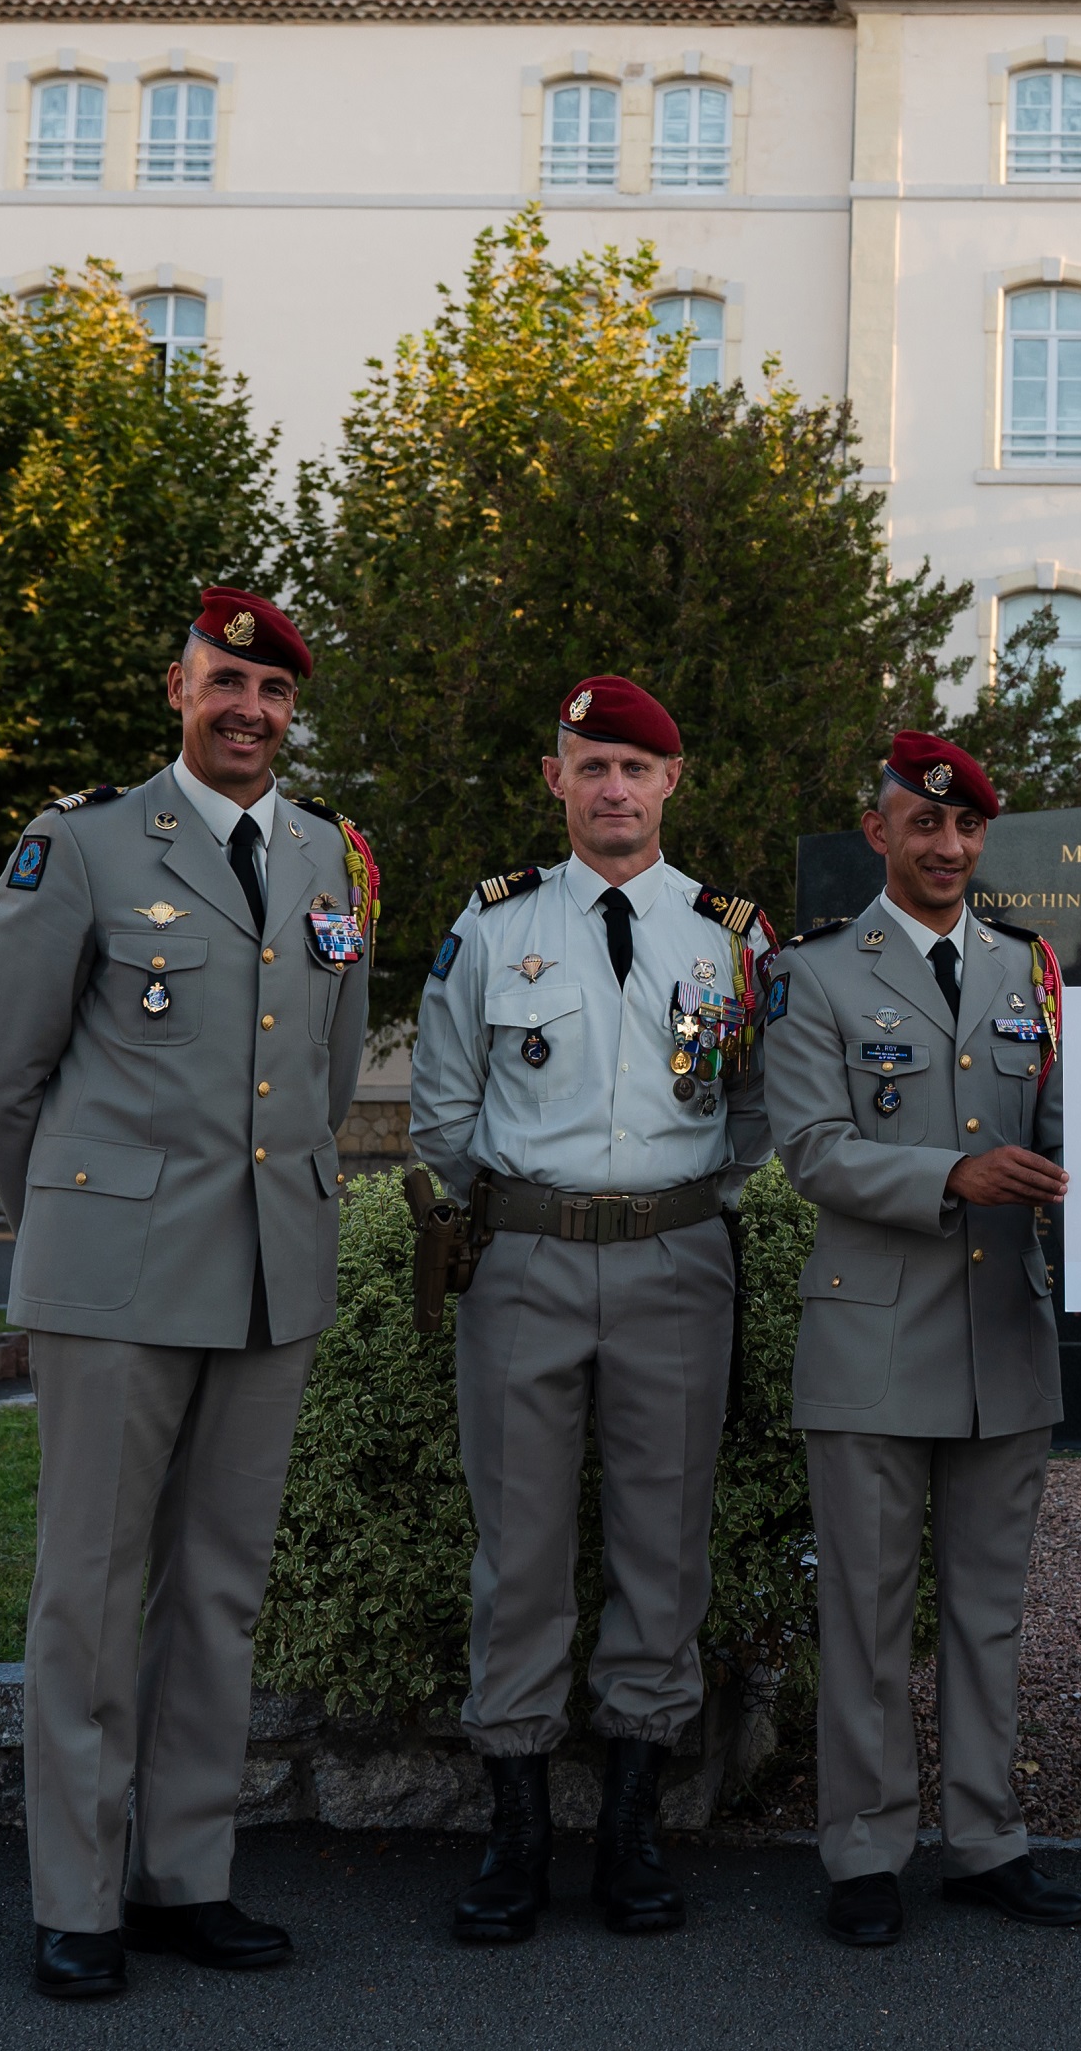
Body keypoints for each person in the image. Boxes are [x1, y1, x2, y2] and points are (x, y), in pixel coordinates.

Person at [0, 587, 377, 2002]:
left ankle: (184, 1872)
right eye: (225, 684)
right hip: (114, 1281)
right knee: (89, 1587)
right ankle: (75, 1896)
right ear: (178, 689)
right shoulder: (76, 846)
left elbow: (325, 1077)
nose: (248, 711)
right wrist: (77, 1227)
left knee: (219, 1590)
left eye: (272, 694)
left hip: (271, 1274)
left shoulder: (330, 856)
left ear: (290, 711)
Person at [409, 676, 772, 1946]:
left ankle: (630, 1829)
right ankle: (514, 1833)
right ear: (552, 779)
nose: (614, 788)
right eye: (591, 765)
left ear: (673, 784)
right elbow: (442, 1110)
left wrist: (678, 1202)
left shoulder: (731, 938)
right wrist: (509, 1215)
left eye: (637, 768)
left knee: (662, 1546)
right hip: (523, 1260)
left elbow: (755, 1111)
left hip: (677, 1261)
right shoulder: (496, 926)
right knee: (516, 1545)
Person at [760, 732, 1081, 1948]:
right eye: (923, 824)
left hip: (1006, 1338)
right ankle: (863, 1852)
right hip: (873, 1344)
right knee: (865, 1610)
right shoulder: (816, 977)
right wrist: (955, 1170)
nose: (946, 847)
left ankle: (988, 1839)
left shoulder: (1030, 972)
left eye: (965, 830)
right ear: (879, 829)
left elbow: (1067, 1130)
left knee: (988, 1613)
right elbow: (811, 1148)